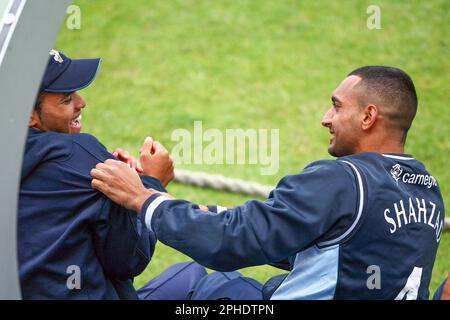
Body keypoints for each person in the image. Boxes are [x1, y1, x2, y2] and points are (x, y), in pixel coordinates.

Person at [91, 66, 446, 300]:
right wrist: (182, 205)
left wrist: (142, 197)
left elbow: (230, 243)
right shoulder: (427, 190)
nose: (326, 118)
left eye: (336, 106)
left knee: (198, 286)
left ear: (368, 116)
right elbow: (329, 252)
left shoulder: (342, 180)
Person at [19, 49, 178, 299]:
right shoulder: (81, 155)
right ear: (27, 116)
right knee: (214, 282)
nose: (81, 103)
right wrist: (150, 183)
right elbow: (128, 260)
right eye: (67, 98)